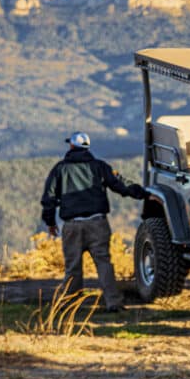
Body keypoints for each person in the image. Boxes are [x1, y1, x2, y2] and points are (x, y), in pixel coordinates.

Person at [40, 132, 146, 312]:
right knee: (103, 263)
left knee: (72, 267)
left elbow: (49, 199)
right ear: (87, 147)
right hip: (98, 224)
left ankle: (69, 305)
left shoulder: (60, 169)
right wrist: (144, 193)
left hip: (72, 226)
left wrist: (50, 222)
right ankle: (113, 302)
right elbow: (120, 184)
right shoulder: (100, 166)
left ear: (71, 147)